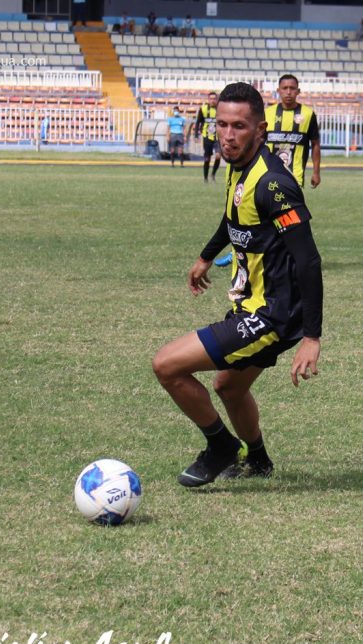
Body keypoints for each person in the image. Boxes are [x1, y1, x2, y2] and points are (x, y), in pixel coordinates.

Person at [152, 82, 324, 487]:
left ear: (260, 130)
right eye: (222, 125)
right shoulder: (239, 166)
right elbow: (234, 217)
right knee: (229, 387)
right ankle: (258, 460)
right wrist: (206, 256)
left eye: (239, 127)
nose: (228, 135)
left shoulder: (274, 184)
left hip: (271, 316)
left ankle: (221, 446)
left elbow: (308, 260)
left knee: (167, 365)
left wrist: (312, 337)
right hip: (250, 304)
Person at [265, 74, 321, 189]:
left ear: (298, 91)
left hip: (295, 177)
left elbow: (315, 144)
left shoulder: (308, 114)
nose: (288, 92)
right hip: (269, 175)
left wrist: (316, 172)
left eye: (292, 88)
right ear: (278, 91)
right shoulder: (268, 113)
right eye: (285, 88)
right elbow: (257, 143)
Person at [192, 92, 222, 183]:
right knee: (207, 158)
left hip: (218, 137)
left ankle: (213, 174)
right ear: (208, 100)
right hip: (207, 137)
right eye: (211, 99)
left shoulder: (221, 109)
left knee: (218, 156)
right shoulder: (203, 109)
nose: (212, 100)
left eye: (214, 99)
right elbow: (198, 122)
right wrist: (196, 135)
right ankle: (205, 178)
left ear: (217, 100)